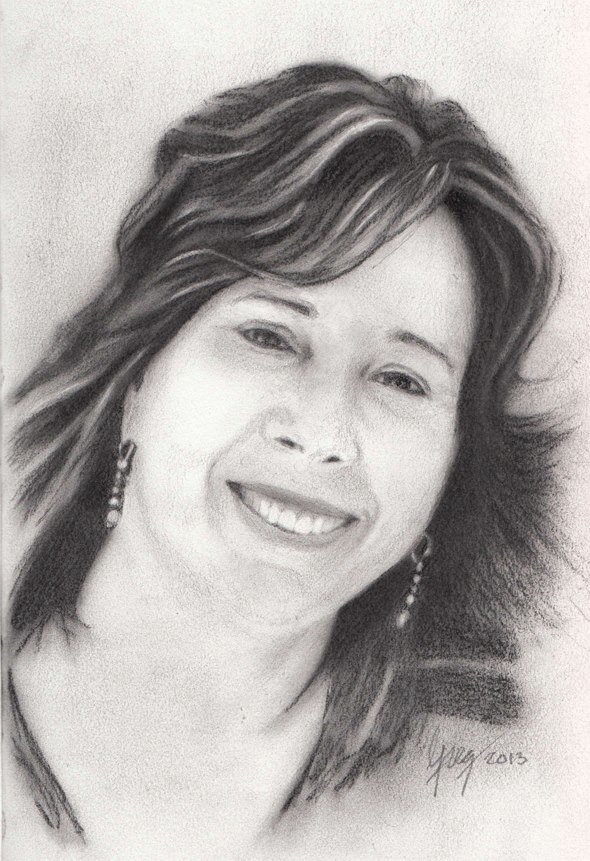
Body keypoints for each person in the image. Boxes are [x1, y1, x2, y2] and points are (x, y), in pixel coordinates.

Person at [5, 63, 563, 859]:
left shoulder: (504, 776)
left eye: (401, 379)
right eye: (269, 336)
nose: (325, 432)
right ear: (136, 374)